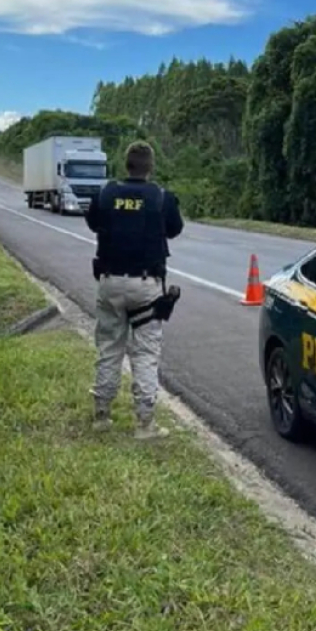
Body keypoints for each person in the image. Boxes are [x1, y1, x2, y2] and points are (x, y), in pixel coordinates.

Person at [85, 140, 184, 439]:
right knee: (144, 353)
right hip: (146, 287)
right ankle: (145, 423)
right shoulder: (162, 197)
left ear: (125, 164)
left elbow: (93, 223)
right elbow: (174, 229)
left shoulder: (105, 193)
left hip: (110, 283)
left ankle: (102, 415)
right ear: (150, 167)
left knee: (109, 348)